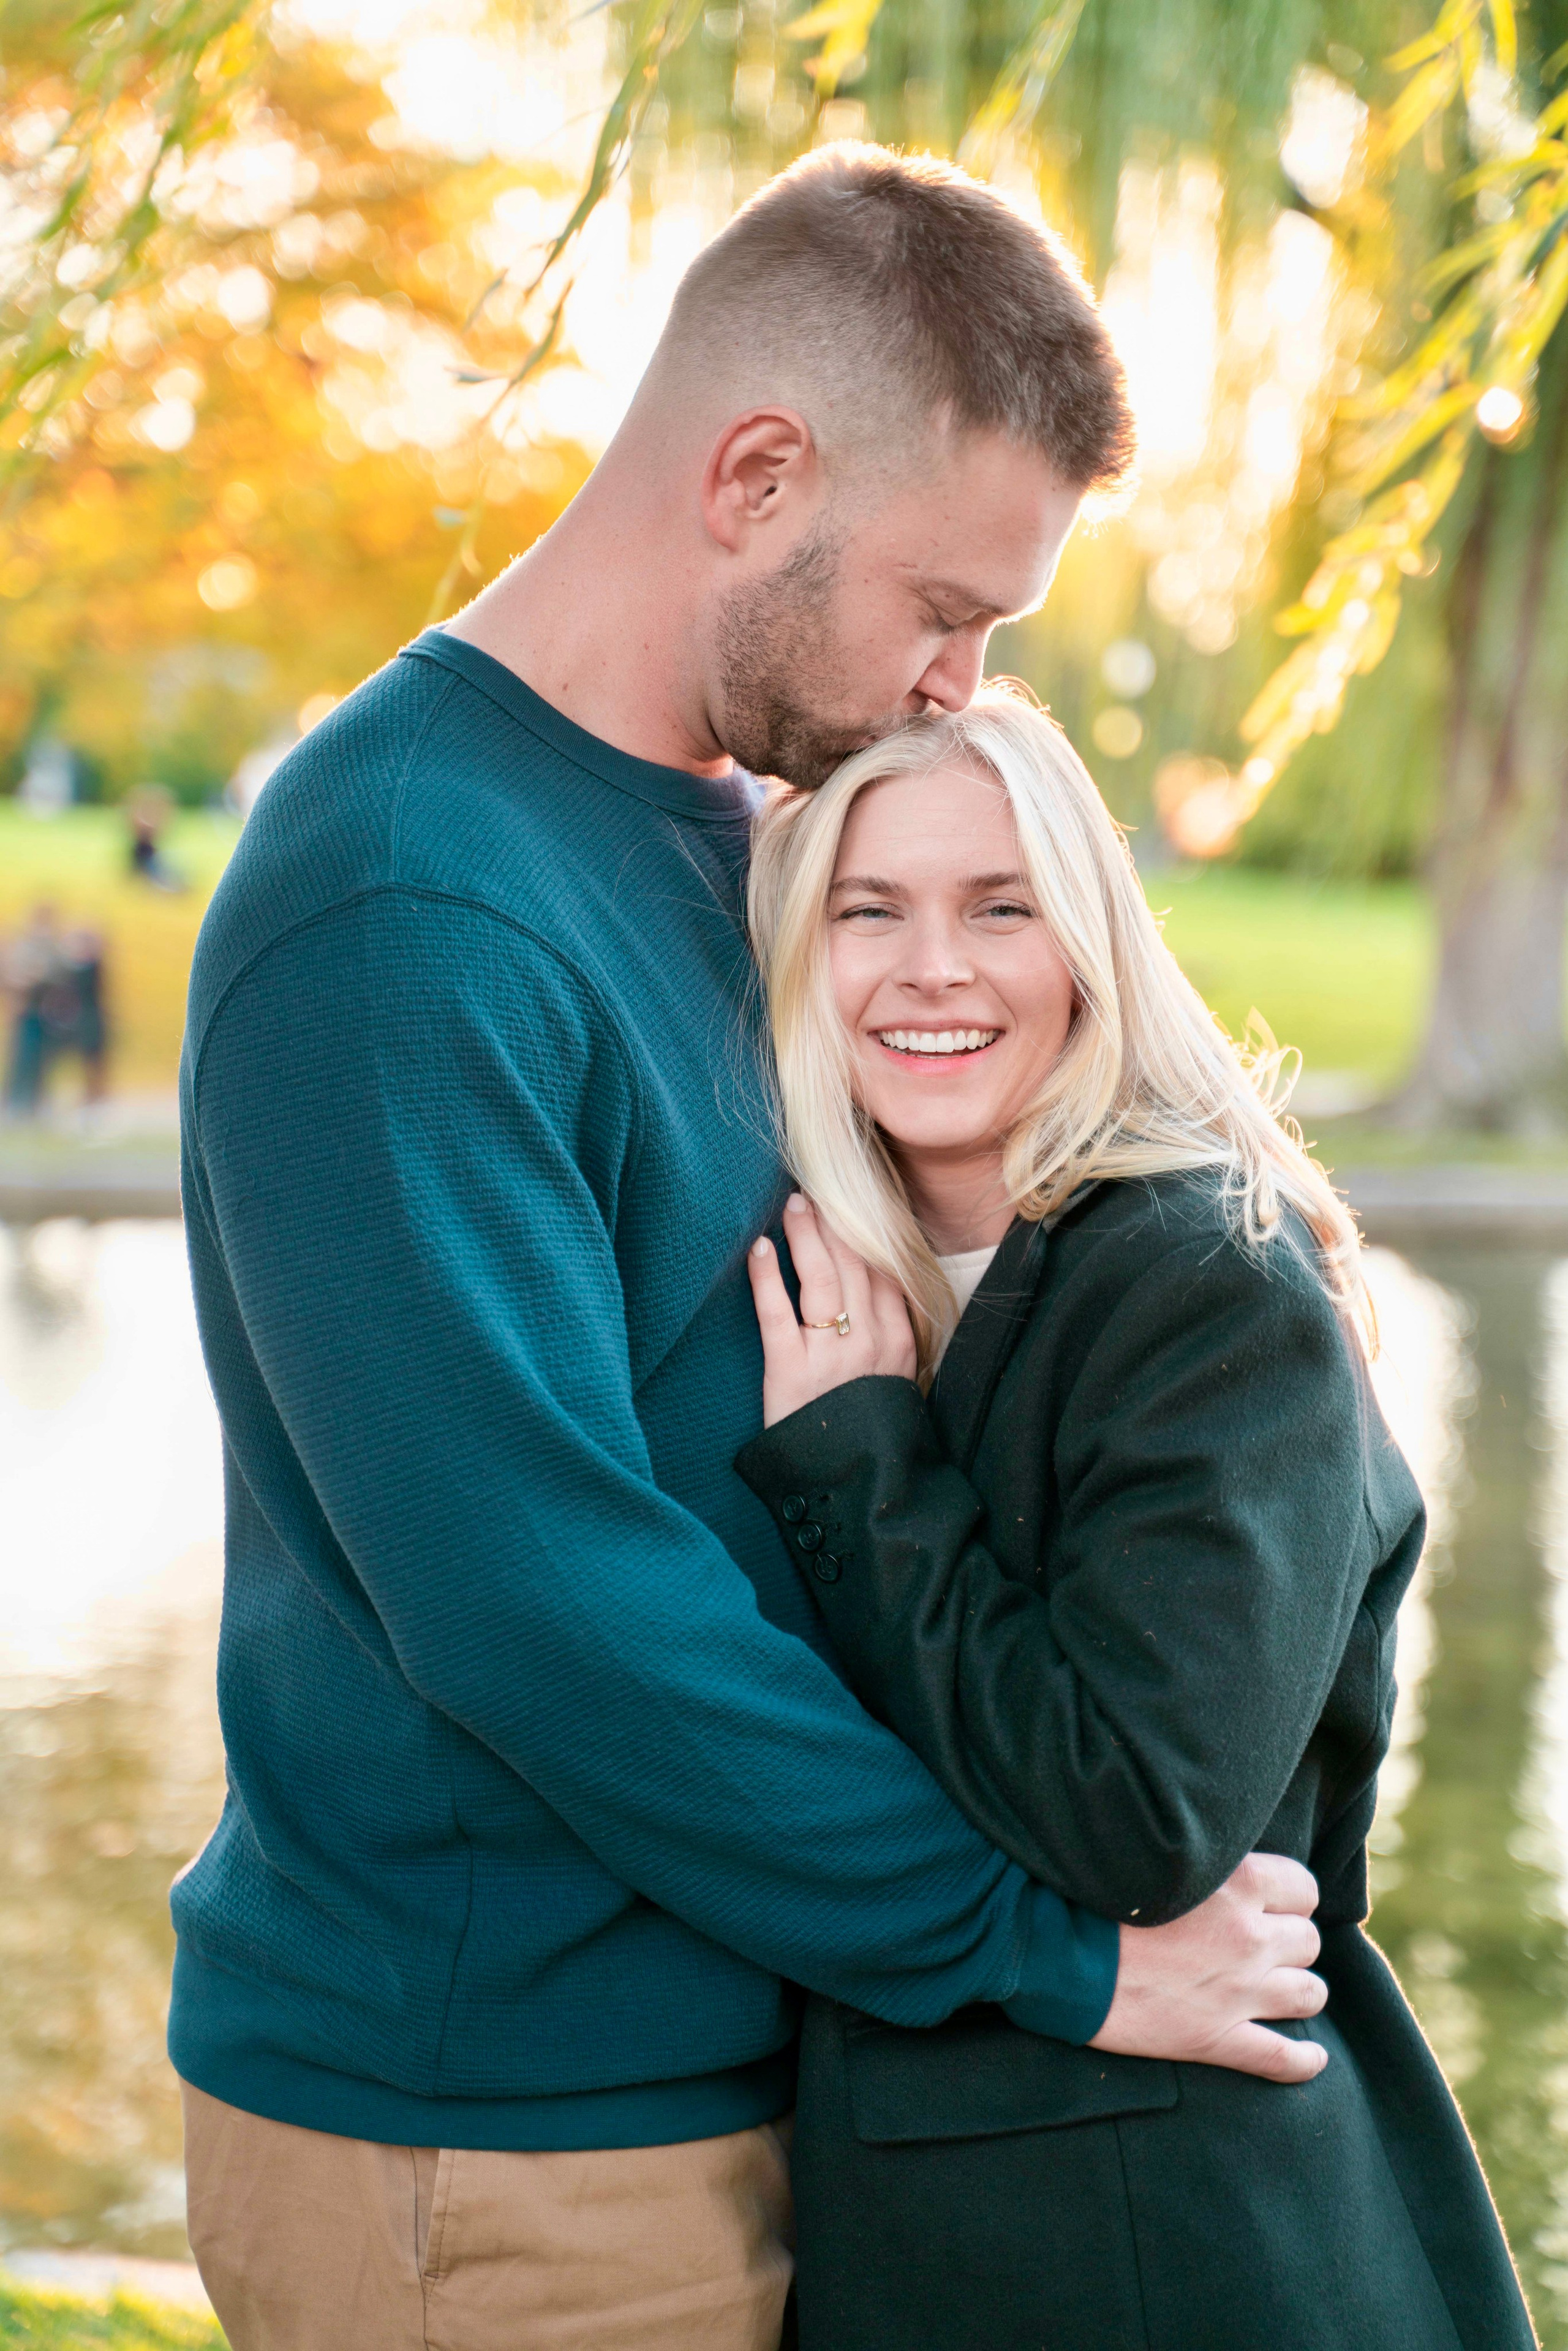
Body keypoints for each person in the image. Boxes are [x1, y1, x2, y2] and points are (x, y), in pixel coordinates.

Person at [176, 147, 1327, 2351]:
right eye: (946, 607)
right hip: (494, 2145)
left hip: (731, 2073)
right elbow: (549, 1610)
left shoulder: (735, 843)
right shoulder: (410, 898)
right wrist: (1050, 1948)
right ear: (761, 473)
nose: (963, 684)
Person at [736, 687, 1534, 2351]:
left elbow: (1138, 1811)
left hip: (1158, 2238)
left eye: (999, 907)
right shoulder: (817, 1268)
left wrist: (867, 1469)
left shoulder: (1204, 1285)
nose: (931, 968)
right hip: (916, 2213)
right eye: (869, 911)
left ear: (1089, 945)